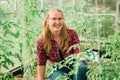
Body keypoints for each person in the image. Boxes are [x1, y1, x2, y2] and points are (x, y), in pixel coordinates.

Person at [36, 8, 88, 80]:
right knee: (59, 78)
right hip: (57, 69)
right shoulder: (41, 41)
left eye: (60, 19)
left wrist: (80, 56)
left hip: (73, 65)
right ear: (47, 21)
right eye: (54, 19)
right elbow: (41, 63)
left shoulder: (71, 34)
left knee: (81, 67)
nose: (57, 22)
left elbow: (78, 51)